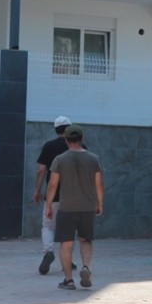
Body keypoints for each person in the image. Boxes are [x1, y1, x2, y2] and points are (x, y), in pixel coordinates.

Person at [45, 124, 103, 290]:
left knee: (66, 243)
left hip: (67, 207)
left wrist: (49, 205)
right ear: (82, 138)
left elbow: (52, 185)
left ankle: (69, 280)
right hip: (87, 206)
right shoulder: (93, 159)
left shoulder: (60, 159)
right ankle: (86, 267)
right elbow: (99, 184)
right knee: (85, 239)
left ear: (66, 140)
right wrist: (100, 203)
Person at [33, 115, 74, 275]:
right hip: (74, 195)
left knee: (48, 226)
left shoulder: (49, 146)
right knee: (68, 227)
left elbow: (41, 170)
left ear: (56, 130)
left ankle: (48, 251)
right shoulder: (78, 146)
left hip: (53, 194)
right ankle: (67, 258)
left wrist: (37, 190)